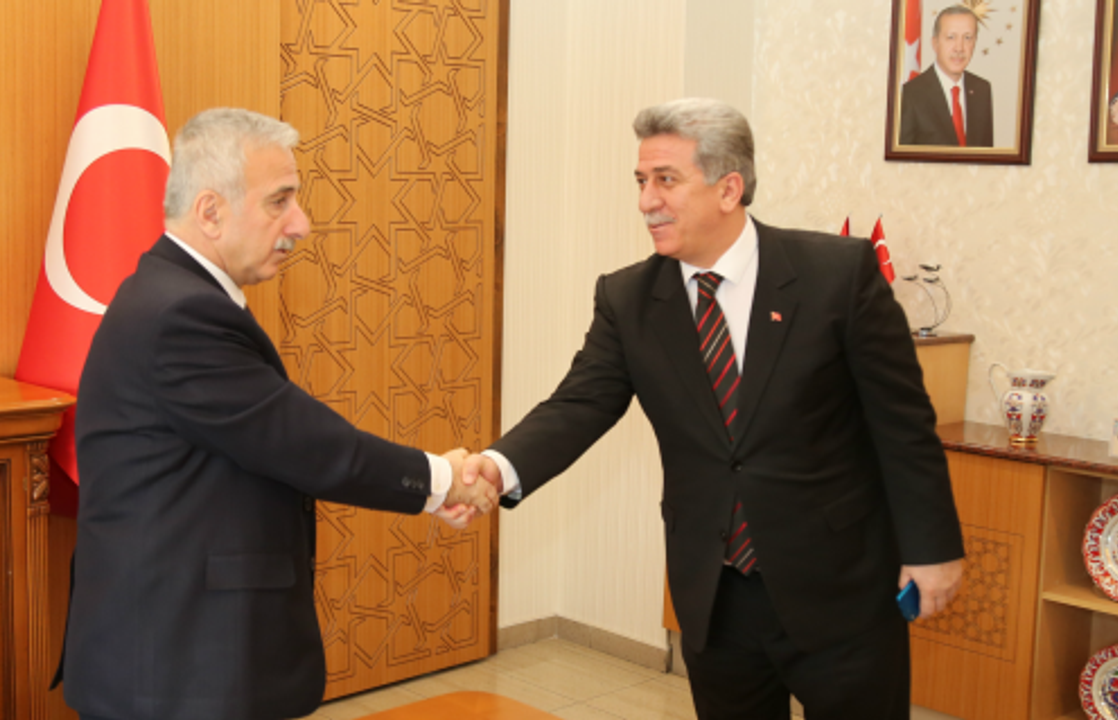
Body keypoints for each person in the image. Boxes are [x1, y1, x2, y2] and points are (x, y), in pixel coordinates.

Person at [463, 98, 964, 719]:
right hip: (716, 594)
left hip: (839, 588)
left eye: (666, 180)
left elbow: (903, 426)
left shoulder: (836, 275)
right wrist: (497, 467)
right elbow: (579, 404)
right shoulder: (628, 298)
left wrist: (933, 547)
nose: (646, 201)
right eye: (641, 181)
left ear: (729, 189)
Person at [55, 108, 497, 720]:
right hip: (175, 664)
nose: (301, 224)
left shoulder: (172, 294)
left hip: (173, 648)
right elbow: (306, 444)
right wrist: (442, 480)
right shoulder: (181, 316)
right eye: (278, 202)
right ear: (210, 212)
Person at [899, 5, 994, 147]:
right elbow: (901, 158)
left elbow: (987, 156)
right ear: (935, 43)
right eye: (951, 37)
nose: (959, 48)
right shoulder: (910, 94)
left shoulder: (982, 89)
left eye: (967, 38)